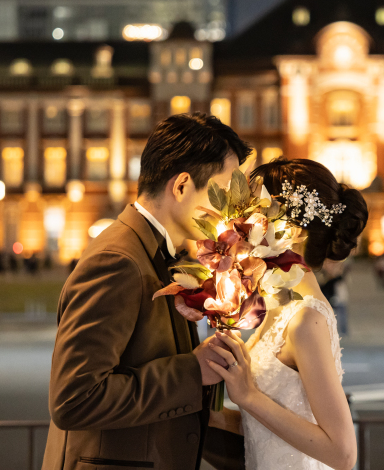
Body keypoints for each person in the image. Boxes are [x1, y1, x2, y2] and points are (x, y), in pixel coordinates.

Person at [42, 113, 253, 470]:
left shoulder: (159, 252)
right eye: (221, 192)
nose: (228, 209)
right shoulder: (118, 260)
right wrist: (192, 371)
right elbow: (74, 399)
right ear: (182, 186)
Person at [207, 158, 366, 470]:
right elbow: (268, 430)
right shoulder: (278, 306)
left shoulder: (306, 318)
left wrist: (248, 395)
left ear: (293, 231)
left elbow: (343, 453)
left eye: (254, 216)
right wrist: (210, 414)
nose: (240, 228)